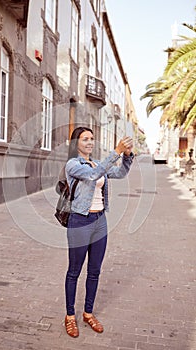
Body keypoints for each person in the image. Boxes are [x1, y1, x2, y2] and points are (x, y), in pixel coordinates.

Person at [64, 126, 134, 338]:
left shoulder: (97, 163)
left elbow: (119, 173)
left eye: (92, 139)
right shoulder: (73, 164)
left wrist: (127, 156)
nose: (90, 142)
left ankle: (88, 313)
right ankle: (69, 317)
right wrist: (116, 151)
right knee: (74, 271)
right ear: (76, 142)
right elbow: (94, 175)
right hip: (79, 221)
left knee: (94, 271)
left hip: (99, 221)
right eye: (85, 139)